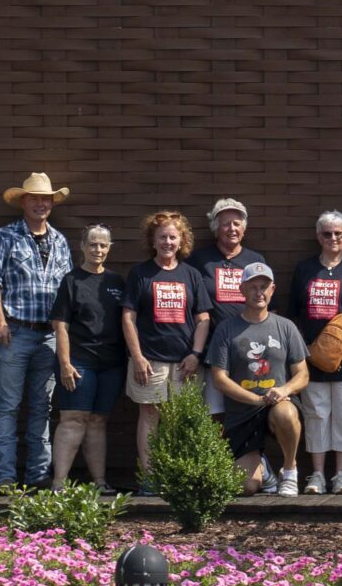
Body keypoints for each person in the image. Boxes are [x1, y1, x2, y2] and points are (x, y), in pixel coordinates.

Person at [0, 170, 74, 490]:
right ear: (23, 201)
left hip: (49, 336)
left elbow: (68, 291)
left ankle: (37, 477)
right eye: (34, 198)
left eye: (45, 199)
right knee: (8, 406)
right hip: (15, 333)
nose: (40, 204)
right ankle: (6, 478)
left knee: (43, 408)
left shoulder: (61, 241)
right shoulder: (4, 236)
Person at [289, 211, 342, 495]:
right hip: (312, 357)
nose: (333, 238)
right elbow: (294, 313)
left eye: (338, 233)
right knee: (316, 414)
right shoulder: (304, 269)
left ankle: (340, 475)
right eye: (327, 233)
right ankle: (317, 475)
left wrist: (339, 341)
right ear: (318, 237)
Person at [127, 210, 211, 491]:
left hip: (185, 362)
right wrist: (137, 357)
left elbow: (203, 319)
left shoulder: (192, 274)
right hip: (150, 360)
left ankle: (176, 477)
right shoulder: (140, 273)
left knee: (180, 420)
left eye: (173, 237)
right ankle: (150, 480)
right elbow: (128, 318)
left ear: (182, 240)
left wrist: (195, 354)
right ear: (153, 240)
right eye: (162, 236)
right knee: (150, 417)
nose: (167, 242)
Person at [205, 261, 307, 494]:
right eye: (253, 287)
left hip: (277, 405)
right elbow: (219, 378)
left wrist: (284, 391)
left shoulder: (286, 327)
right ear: (242, 290)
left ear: (272, 290)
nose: (259, 292)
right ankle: (265, 473)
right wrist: (255, 400)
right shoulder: (226, 328)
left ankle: (290, 471)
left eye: (264, 287)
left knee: (285, 412)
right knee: (247, 487)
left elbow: (303, 375)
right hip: (243, 413)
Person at [50, 224, 133, 490]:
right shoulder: (71, 281)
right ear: (82, 247)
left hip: (111, 364)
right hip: (79, 361)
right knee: (73, 419)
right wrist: (65, 363)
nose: (97, 249)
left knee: (98, 421)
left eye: (103, 245)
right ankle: (59, 483)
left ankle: (99, 482)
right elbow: (60, 325)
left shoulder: (116, 282)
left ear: (109, 248)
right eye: (93, 244)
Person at [197, 196, 268, 350]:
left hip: (249, 345)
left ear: (244, 229)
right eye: (226, 224)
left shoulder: (256, 260)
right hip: (211, 345)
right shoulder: (199, 260)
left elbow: (269, 305)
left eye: (237, 224)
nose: (232, 228)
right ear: (216, 228)